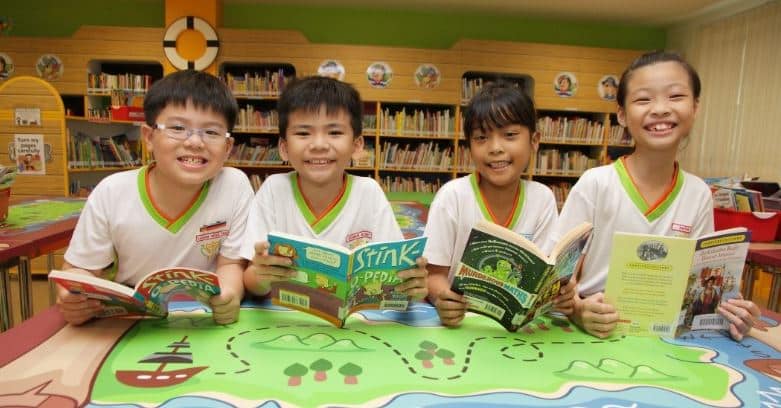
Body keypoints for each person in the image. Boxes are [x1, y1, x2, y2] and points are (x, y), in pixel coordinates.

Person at [550, 50, 759, 340]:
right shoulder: (595, 183)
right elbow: (557, 277)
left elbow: (700, 281)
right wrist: (577, 310)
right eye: (643, 99)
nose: (660, 109)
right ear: (622, 115)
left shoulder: (698, 193)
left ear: (695, 108)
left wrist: (733, 315)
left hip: (665, 339)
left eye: (675, 96)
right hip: (596, 335)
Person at [56, 70, 253, 325]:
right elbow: (79, 269)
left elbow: (231, 265)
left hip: (201, 319)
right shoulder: (112, 192)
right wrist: (72, 297)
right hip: (130, 319)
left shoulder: (234, 186)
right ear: (149, 137)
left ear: (227, 148)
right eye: (178, 128)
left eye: (212, 132)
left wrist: (230, 294)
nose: (195, 142)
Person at [241, 76, 427, 300]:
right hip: (288, 314)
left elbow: (396, 275)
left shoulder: (369, 192)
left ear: (356, 146)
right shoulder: (274, 190)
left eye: (335, 133)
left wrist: (412, 285)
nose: (319, 145)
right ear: (284, 147)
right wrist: (261, 277)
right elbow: (251, 281)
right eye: (303, 133)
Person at [423, 82, 569, 327]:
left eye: (510, 135)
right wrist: (442, 298)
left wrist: (560, 292)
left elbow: (543, 275)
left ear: (534, 140)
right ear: (469, 146)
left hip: (518, 331)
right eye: (481, 138)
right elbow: (433, 275)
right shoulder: (452, 197)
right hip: (464, 325)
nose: (495, 148)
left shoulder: (542, 198)